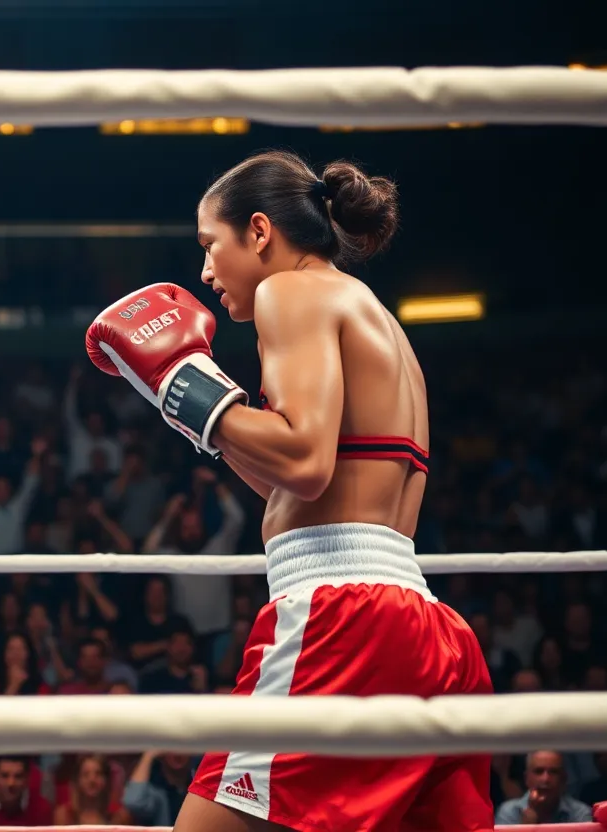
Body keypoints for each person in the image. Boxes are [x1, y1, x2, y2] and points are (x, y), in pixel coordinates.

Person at [85, 151, 491, 831]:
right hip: (423, 626)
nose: (206, 271)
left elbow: (303, 462)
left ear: (261, 232)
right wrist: (186, 404)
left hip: (340, 620)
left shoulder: (290, 293)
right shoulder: (373, 314)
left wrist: (182, 383)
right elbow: (296, 486)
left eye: (212, 246)